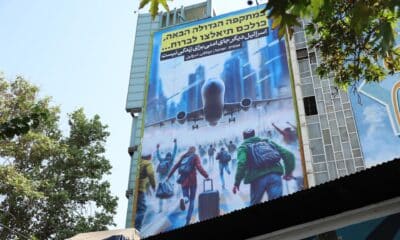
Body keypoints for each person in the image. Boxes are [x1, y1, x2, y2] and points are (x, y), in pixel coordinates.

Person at [232, 129, 295, 206]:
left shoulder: (243, 147)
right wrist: (288, 172)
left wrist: (237, 183)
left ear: (244, 137)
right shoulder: (268, 142)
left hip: (257, 178)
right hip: (275, 176)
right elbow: (288, 154)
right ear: (254, 134)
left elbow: (242, 163)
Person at [167, 146, 209, 225]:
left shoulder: (183, 157)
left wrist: (168, 177)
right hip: (192, 180)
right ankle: (188, 219)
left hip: (183, 180)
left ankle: (185, 199)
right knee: (192, 200)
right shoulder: (195, 157)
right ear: (194, 150)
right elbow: (199, 167)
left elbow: (175, 167)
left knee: (186, 196)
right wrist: (206, 175)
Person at [135, 153, 156, 231]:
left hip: (134, 189)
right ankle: (136, 229)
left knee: (136, 209)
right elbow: (151, 174)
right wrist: (154, 186)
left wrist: (148, 188)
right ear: (149, 156)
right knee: (142, 209)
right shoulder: (147, 163)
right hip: (140, 189)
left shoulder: (138, 162)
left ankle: (133, 226)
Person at [156, 139, 177, 212]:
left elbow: (158, 156)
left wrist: (157, 148)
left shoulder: (162, 160)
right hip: (169, 180)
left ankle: (160, 209)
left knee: (161, 195)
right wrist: (175, 143)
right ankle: (167, 208)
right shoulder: (171, 161)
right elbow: (174, 152)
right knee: (169, 194)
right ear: (170, 156)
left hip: (161, 181)